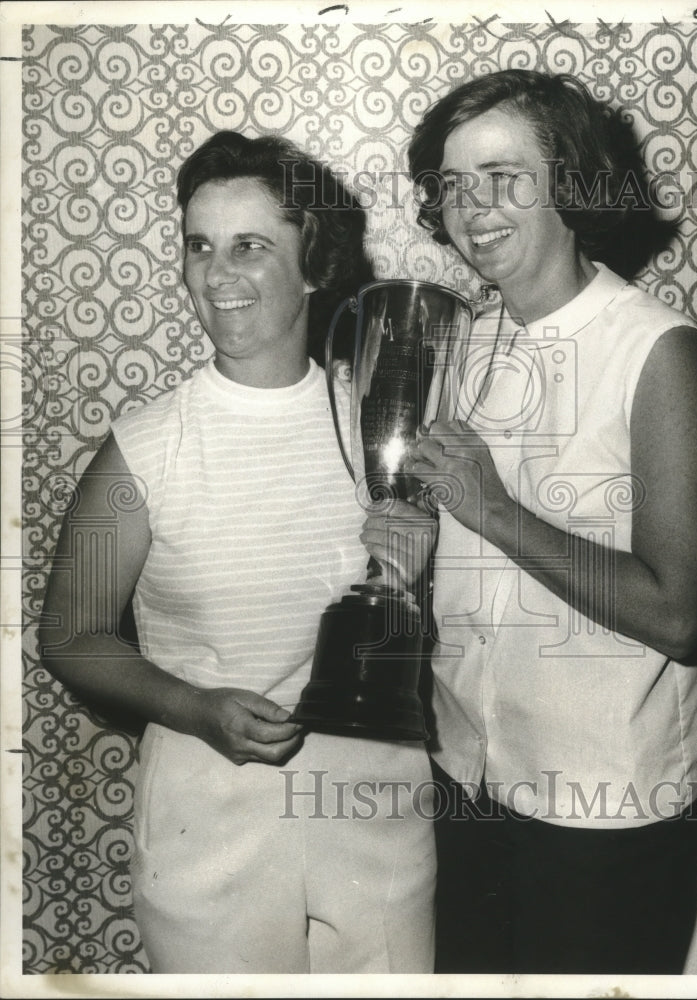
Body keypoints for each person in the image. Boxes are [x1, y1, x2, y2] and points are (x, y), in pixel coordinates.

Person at [38, 130, 437, 974]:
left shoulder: (384, 434)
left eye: (250, 247)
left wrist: (424, 568)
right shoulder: (141, 451)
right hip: (209, 825)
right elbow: (71, 636)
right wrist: (194, 708)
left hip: (376, 817)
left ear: (315, 265)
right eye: (199, 247)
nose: (217, 276)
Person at [403, 69, 697, 974]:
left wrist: (495, 512)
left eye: (502, 177)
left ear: (572, 185)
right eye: (452, 184)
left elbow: (680, 614)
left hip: (602, 806)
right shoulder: (468, 340)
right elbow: (459, 549)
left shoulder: (659, 353)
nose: (471, 209)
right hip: (469, 769)